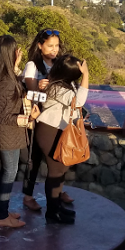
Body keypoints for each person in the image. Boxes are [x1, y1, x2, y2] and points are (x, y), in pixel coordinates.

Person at [0, 35, 40, 228]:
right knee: (9, 172)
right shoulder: (6, 80)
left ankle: (3, 210)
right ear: (12, 52)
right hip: (7, 134)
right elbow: (6, 116)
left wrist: (16, 66)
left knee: (7, 171)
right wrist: (29, 118)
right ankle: (1, 216)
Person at [35, 55, 88, 224]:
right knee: (55, 173)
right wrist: (86, 75)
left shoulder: (65, 84)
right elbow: (78, 101)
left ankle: (56, 206)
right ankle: (52, 213)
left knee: (61, 171)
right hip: (50, 131)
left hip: (59, 130)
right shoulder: (57, 87)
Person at [22, 29, 63, 211]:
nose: (54, 49)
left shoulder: (60, 64)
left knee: (59, 157)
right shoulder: (33, 66)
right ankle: (28, 196)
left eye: (57, 45)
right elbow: (30, 94)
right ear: (40, 46)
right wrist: (38, 86)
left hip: (56, 119)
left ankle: (58, 192)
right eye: (50, 45)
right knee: (35, 159)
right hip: (39, 120)